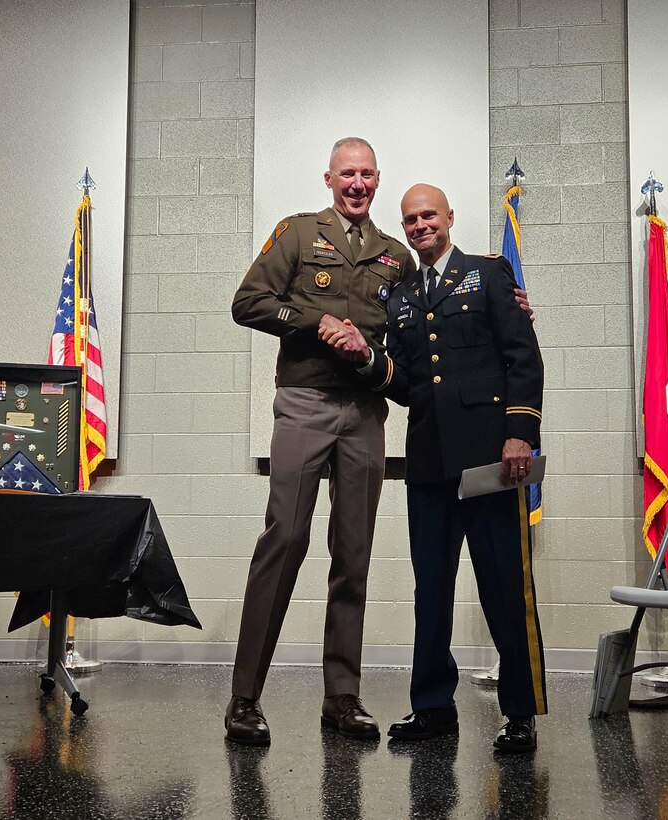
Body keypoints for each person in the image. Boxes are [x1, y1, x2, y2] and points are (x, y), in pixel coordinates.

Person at [320, 183, 547, 753]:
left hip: (490, 461)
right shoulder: (399, 296)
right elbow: (408, 384)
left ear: (450, 217)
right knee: (432, 592)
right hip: (427, 465)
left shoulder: (489, 275)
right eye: (411, 219)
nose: (421, 225)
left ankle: (519, 713)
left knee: (503, 588)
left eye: (429, 215)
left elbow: (523, 356)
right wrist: (366, 356)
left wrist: (519, 433)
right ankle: (433, 709)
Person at [225, 137, 417, 745]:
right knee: (284, 539)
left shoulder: (396, 257)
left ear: (378, 180)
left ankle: (342, 697)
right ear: (329, 178)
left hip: (365, 412)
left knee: (354, 553)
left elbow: (415, 341)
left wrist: (505, 312)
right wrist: (317, 321)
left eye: (366, 174)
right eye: (346, 174)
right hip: (305, 405)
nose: (356, 184)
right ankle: (244, 699)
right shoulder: (299, 234)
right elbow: (248, 302)